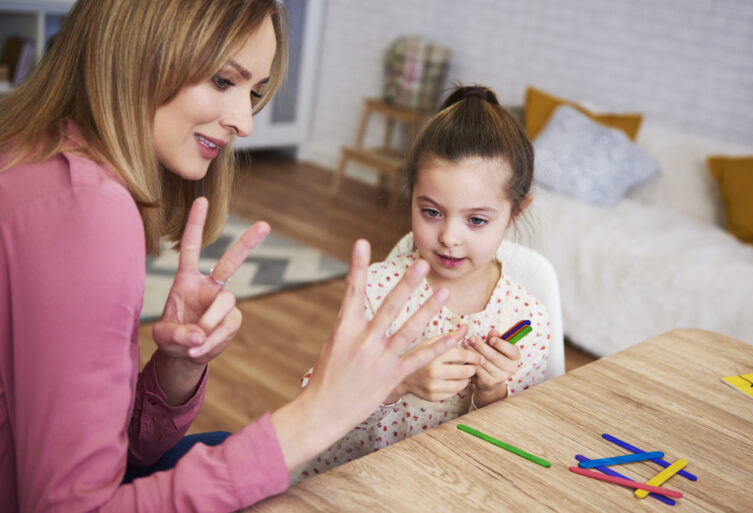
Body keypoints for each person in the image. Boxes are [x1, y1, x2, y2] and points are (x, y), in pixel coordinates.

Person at [0, 1, 462, 511]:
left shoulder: (31, 148)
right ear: (139, 49)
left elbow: (111, 450)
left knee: (220, 449)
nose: (245, 121)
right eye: (224, 80)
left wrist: (176, 369)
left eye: (254, 92)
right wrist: (315, 417)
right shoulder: (87, 211)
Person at [294, 85, 550, 481]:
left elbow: (508, 453)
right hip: (352, 482)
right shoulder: (380, 290)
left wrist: (491, 393)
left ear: (516, 212)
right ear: (412, 195)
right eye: (431, 212)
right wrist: (399, 380)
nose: (449, 236)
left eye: (476, 220)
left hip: (450, 487)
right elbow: (313, 404)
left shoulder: (527, 319)